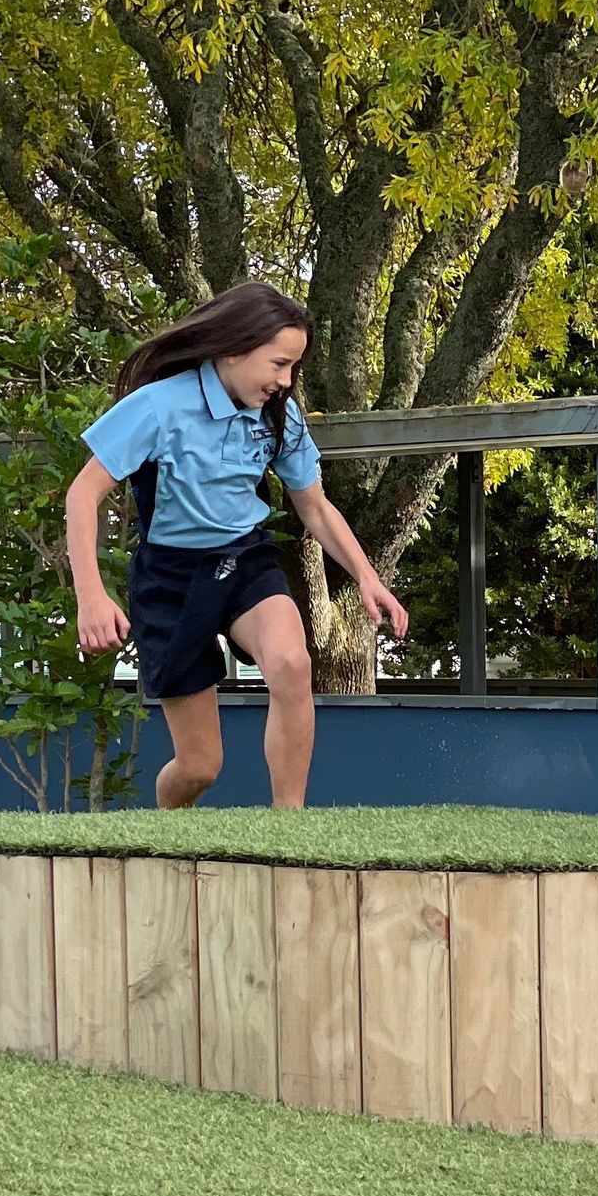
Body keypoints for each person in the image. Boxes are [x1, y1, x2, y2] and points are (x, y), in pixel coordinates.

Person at [67, 282, 406, 809]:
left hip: (244, 558)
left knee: (292, 662)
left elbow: (314, 506)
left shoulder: (279, 415)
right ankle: (167, 832)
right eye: (277, 364)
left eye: (293, 367)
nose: (285, 380)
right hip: (171, 579)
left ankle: (287, 828)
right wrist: (91, 595)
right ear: (231, 349)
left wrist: (368, 577)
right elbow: (83, 493)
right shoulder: (159, 406)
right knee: (201, 767)